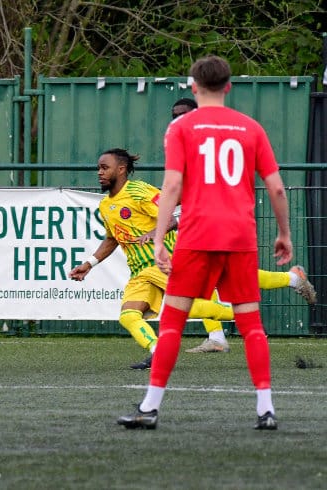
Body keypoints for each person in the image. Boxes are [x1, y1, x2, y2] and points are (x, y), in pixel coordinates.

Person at [118, 55, 292, 430]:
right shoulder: (251, 128)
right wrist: (284, 233)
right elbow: (277, 188)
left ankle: (150, 408)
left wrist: (160, 238)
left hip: (196, 235)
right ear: (229, 86)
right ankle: (266, 410)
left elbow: (171, 186)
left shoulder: (180, 128)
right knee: (252, 325)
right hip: (239, 236)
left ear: (193, 86)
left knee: (172, 322)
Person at [164, 98, 316, 354]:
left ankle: (285, 286)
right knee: (211, 279)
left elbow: (211, 191)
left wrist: (172, 221)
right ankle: (219, 335)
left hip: (223, 225)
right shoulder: (186, 143)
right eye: (174, 115)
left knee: (221, 278)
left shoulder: (210, 143)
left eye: (184, 114)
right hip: (207, 224)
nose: (178, 119)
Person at [69, 149, 236, 369]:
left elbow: (171, 217)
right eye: (99, 168)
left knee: (192, 308)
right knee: (128, 316)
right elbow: (112, 239)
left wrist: (155, 232)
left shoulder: (138, 191)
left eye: (105, 168)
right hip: (140, 271)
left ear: (121, 169)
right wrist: (89, 264)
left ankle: (244, 314)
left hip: (163, 263)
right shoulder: (105, 205)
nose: (99, 172)